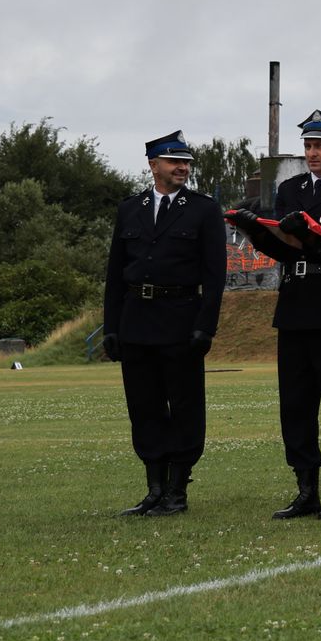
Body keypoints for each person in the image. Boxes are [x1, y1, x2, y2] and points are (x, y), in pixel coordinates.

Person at [231, 110, 321, 521]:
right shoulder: (290, 188)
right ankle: (306, 488)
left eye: (319, 146)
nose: (311, 153)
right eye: (307, 146)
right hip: (294, 305)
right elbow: (282, 250)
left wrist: (306, 231)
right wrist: (255, 231)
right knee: (296, 405)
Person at [103, 131, 227, 517]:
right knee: (144, 407)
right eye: (174, 161)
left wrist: (205, 326)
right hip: (136, 321)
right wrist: (111, 327)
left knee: (186, 407)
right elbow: (115, 274)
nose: (182, 168)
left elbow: (215, 274)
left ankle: (177, 490)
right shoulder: (130, 209)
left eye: (186, 162)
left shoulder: (203, 210)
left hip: (181, 319)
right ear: (153, 165)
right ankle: (154, 488)